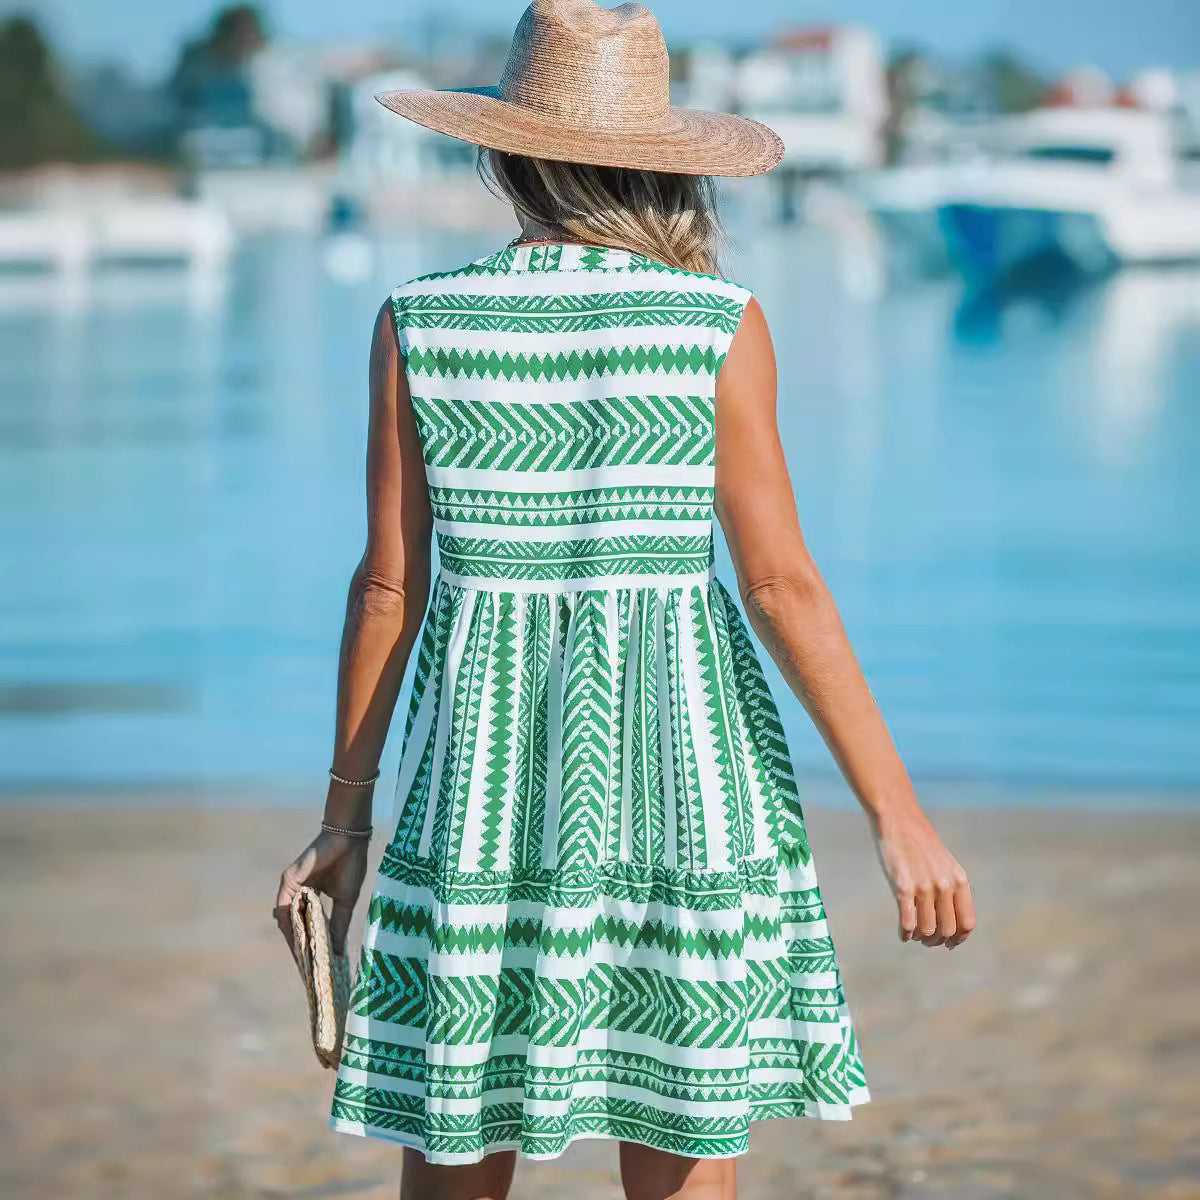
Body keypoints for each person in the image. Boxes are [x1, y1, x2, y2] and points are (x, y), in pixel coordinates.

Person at [274, 3, 975, 1198]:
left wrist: (346, 822)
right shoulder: (715, 325)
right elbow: (780, 586)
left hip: (482, 794)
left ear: (505, 158)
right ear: (664, 165)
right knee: (678, 1130)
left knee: (457, 1138)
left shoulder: (422, 323)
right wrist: (896, 813)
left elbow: (388, 585)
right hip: (684, 786)